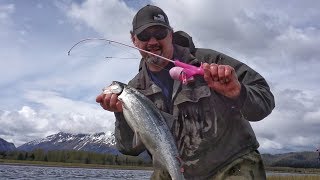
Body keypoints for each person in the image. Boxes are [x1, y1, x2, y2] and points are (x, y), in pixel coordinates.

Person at [96, 4, 275, 180]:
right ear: (134, 39)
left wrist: (238, 93)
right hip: (172, 170)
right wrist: (121, 114)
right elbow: (129, 149)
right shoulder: (133, 90)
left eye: (159, 33)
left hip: (232, 166)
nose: (152, 42)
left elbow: (265, 100)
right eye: (144, 35)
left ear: (170, 34)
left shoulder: (210, 61)